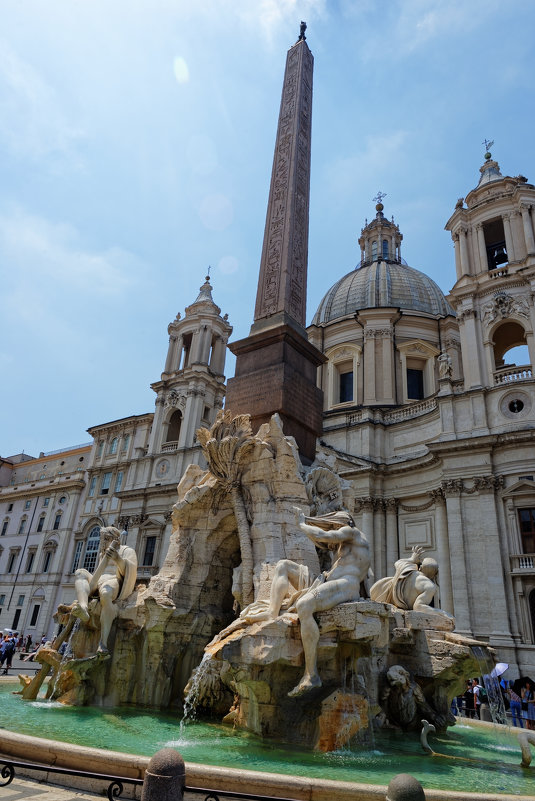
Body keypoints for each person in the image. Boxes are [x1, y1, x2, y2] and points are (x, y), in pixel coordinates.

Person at [242, 508, 371, 697]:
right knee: (283, 566)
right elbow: (322, 540)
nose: (334, 530)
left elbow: (323, 535)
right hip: (326, 580)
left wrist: (302, 524)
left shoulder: (351, 532)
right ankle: (272, 611)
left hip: (347, 585)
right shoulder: (346, 546)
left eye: (334, 526)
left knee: (304, 605)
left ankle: (312, 674)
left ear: (341, 523)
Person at [71, 526, 137, 653]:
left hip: (114, 580)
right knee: (80, 572)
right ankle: (84, 607)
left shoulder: (127, 551)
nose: (103, 542)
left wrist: (118, 559)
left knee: (105, 593)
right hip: (99, 579)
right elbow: (98, 571)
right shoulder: (102, 553)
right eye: (102, 539)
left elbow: (130, 571)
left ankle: (103, 642)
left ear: (115, 539)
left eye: (106, 539)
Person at [370, 546, 453, 622]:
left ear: (420, 567)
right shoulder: (429, 586)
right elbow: (418, 607)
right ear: (435, 574)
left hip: (383, 597)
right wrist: (442, 613)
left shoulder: (408, 569)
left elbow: (398, 563)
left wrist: (412, 559)